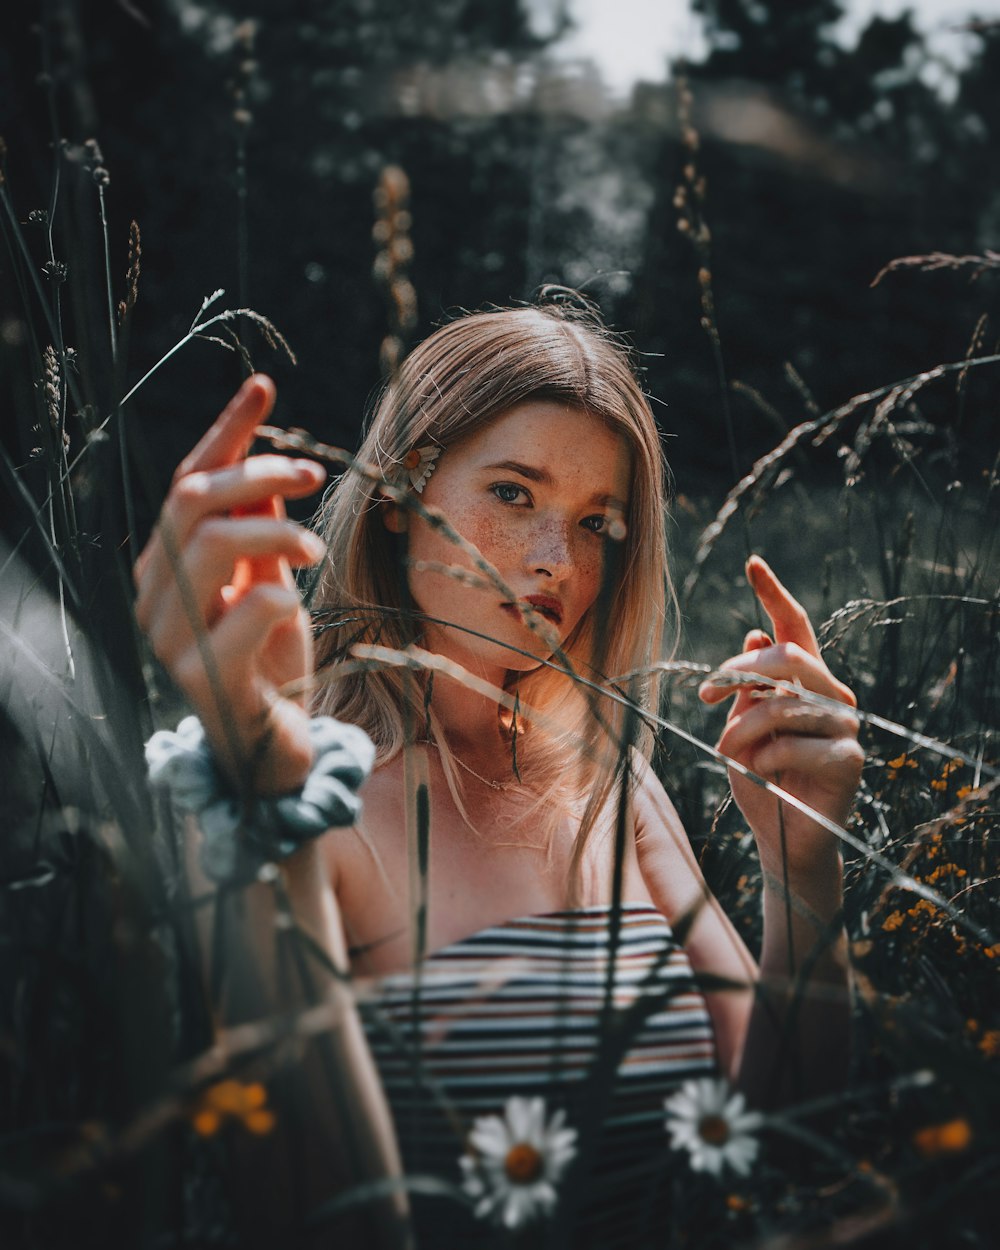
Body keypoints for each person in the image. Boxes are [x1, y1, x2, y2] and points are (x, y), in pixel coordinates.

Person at [134, 296, 863, 1248]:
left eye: (598, 522)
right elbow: (313, 1217)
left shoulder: (615, 787)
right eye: (514, 493)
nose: (556, 560)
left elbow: (781, 1142)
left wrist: (802, 867)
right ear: (398, 494)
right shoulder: (285, 796)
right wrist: (268, 793)